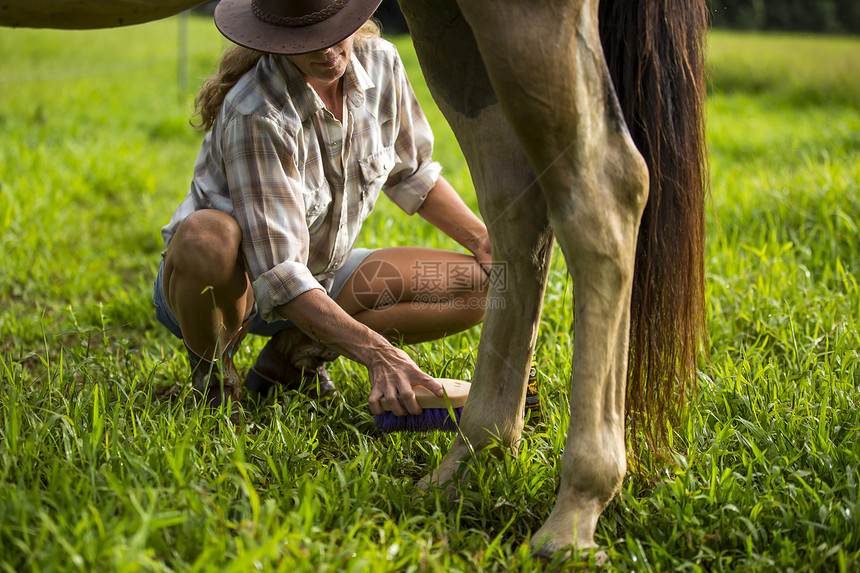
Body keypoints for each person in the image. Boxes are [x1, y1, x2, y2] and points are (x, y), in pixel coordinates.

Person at [152, 0, 492, 424]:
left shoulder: (382, 63)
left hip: (320, 277)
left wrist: (483, 240)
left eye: (333, 29)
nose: (327, 50)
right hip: (226, 293)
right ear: (274, 38)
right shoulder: (257, 110)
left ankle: (291, 359)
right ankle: (214, 380)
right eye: (304, 39)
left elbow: (412, 172)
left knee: (482, 286)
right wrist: (379, 354)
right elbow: (280, 276)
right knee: (208, 235)